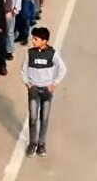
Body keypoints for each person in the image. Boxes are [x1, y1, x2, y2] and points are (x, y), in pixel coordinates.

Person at [23, 26, 67, 157]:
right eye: (33, 38)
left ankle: (41, 145)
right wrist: (27, 83)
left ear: (44, 41)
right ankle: (32, 144)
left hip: (47, 91)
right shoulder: (30, 53)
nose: (33, 41)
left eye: (36, 39)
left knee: (44, 118)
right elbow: (23, 69)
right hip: (34, 90)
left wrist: (54, 84)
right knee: (33, 118)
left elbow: (63, 69)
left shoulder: (52, 54)